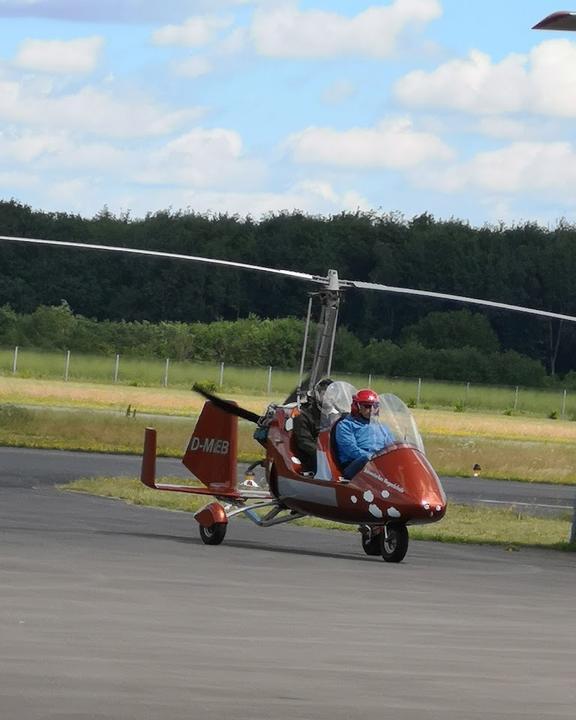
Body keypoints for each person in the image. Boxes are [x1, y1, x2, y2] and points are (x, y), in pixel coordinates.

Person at [333, 388, 394, 479]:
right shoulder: (345, 425)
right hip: (354, 464)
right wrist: (374, 459)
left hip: (378, 464)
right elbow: (351, 450)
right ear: (357, 407)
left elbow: (392, 447)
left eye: (375, 406)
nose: (372, 409)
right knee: (365, 459)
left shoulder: (382, 427)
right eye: (367, 406)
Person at [292, 378, 334, 474]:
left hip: (331, 454)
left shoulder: (336, 416)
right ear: (318, 395)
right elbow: (304, 442)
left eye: (332, 396)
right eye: (325, 395)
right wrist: (322, 454)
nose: (329, 398)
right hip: (312, 457)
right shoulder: (303, 415)